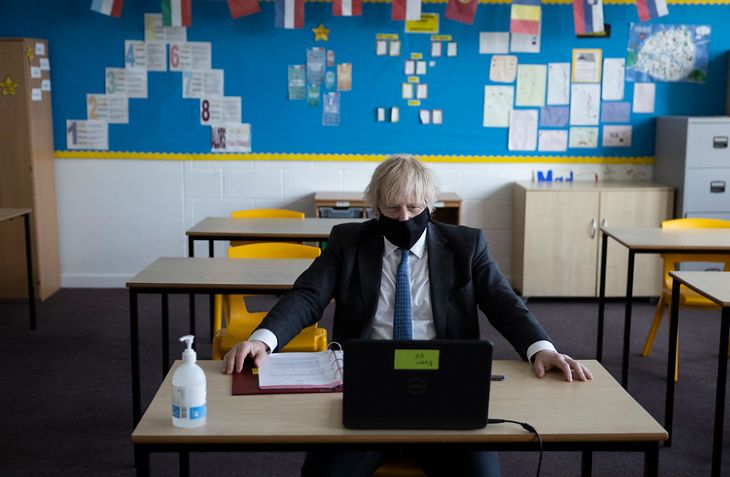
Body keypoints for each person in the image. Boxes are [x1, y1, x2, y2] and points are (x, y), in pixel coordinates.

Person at [223, 154, 592, 476]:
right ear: (374, 206)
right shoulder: (347, 242)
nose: (404, 218)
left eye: (415, 209)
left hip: (446, 391)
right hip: (365, 389)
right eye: (392, 208)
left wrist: (541, 348)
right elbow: (308, 296)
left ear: (430, 205)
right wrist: (263, 339)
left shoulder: (466, 245)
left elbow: (504, 302)